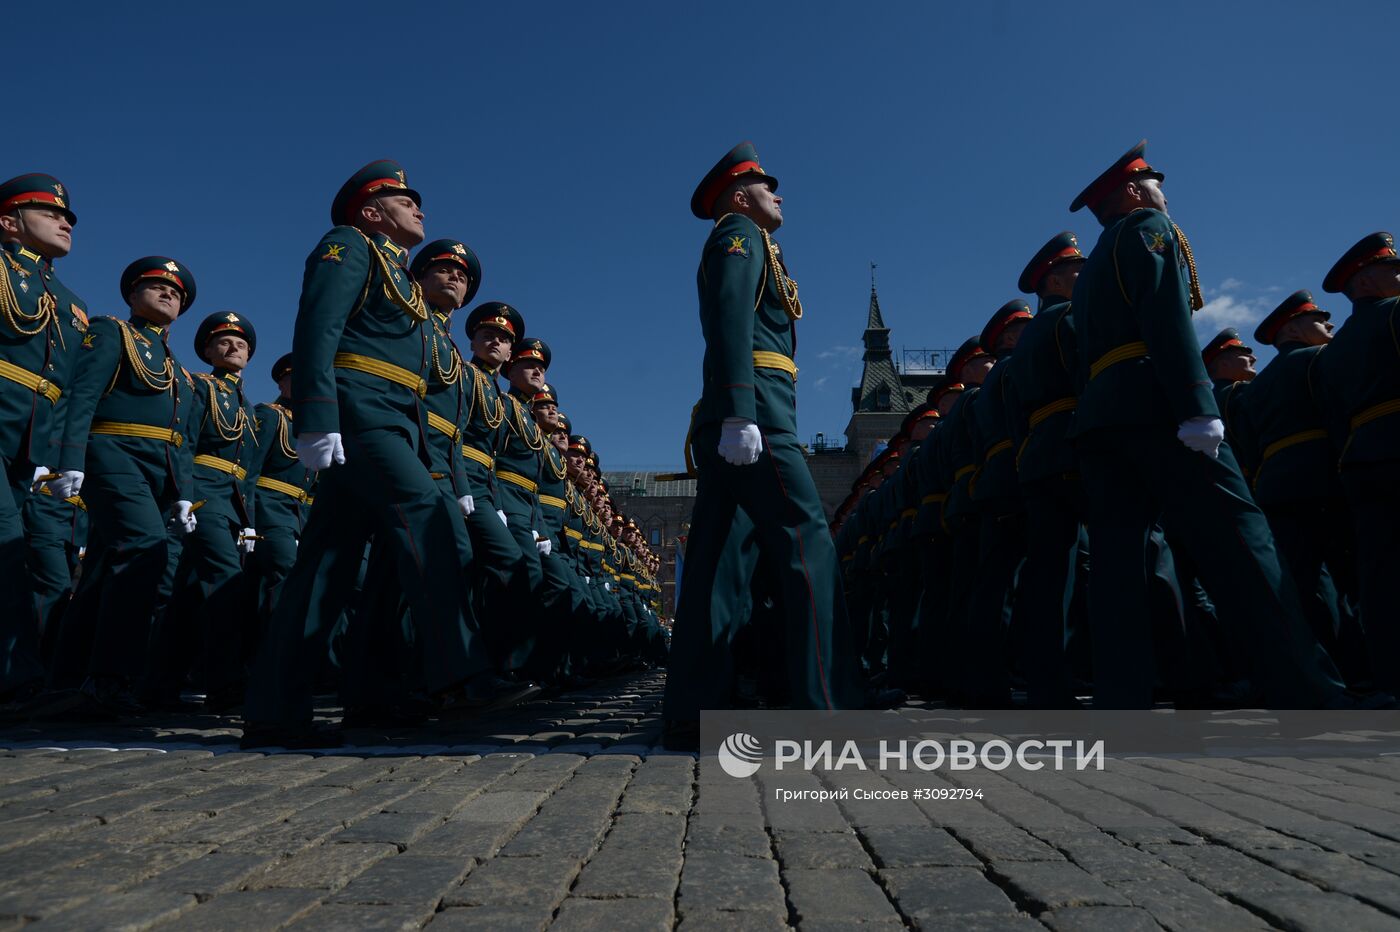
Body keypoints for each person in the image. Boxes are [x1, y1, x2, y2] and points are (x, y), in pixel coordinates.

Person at [1067, 140, 1363, 708]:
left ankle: (1121, 702)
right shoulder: (1147, 227)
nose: (1165, 193)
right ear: (1134, 192)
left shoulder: (1096, 263)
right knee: (1243, 543)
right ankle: (1308, 693)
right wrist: (1198, 403)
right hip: (1159, 405)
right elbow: (1165, 314)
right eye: (1156, 183)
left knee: (1118, 566)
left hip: (1103, 417)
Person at [241, 160, 492, 748]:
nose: (420, 211)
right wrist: (316, 417)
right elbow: (318, 326)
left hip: (391, 420)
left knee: (327, 565)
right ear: (373, 210)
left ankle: (300, 704)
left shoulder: (401, 280)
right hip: (359, 412)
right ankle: (462, 675)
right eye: (408, 201)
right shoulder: (348, 245)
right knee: (429, 520)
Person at [663, 142, 865, 749]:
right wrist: (743, 413)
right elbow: (731, 318)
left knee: (716, 567)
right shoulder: (738, 235)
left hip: (741, 412)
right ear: (738, 195)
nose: (778, 194)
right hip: (754, 414)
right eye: (766, 185)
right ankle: (830, 704)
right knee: (810, 546)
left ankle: (693, 713)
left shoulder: (755, 242)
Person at [48, 257, 202, 715]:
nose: (168, 293)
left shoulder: (179, 371)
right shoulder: (112, 333)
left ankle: (67, 678)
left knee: (100, 569)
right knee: (143, 548)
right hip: (111, 454)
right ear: (132, 296)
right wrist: (69, 456)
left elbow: (182, 439)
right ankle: (111, 679)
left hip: (156, 472)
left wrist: (183, 494)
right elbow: (83, 394)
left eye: (176, 291)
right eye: (155, 286)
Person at [0, 173, 87, 712]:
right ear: (9, 222)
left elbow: (67, 387)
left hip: (26, 444)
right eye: (50, 213)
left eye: (69, 218)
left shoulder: (70, 302)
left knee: (25, 556)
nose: (65, 222)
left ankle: (29, 677)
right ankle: (18, 681)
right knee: (7, 546)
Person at [150, 311, 263, 710]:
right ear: (207, 351)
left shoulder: (247, 406)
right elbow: (182, 441)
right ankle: (224, 680)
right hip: (202, 495)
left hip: (229, 505)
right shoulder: (200, 388)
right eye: (224, 342)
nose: (234, 348)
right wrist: (181, 493)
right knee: (225, 580)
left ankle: (159, 682)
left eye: (242, 344)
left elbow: (248, 468)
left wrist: (248, 522)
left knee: (189, 591)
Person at [1003, 231, 1087, 707]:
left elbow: (1014, 416)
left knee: (1048, 576)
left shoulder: (1027, 341)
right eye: (1077, 270)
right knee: (1111, 563)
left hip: (1037, 455)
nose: (1085, 276)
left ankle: (1046, 683)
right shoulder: (1070, 320)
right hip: (1076, 443)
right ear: (1054, 280)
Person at [1317, 233, 1400, 695]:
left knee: (1380, 576)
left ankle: (1389, 678)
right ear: (1366, 280)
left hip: (1360, 459)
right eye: (1394, 270)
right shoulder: (1395, 313)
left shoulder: (1333, 351)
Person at [248, 353, 315, 626]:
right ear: (281, 383)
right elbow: (250, 470)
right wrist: (247, 519)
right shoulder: (270, 415)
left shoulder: (313, 430)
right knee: (286, 571)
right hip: (269, 508)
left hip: (301, 517)